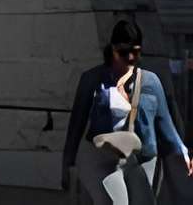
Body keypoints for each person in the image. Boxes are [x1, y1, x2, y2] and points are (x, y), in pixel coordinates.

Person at [60, 21, 188, 205]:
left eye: (134, 52)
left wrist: (181, 153)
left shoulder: (151, 82)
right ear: (112, 50)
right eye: (122, 52)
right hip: (102, 156)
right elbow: (77, 124)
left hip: (142, 156)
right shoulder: (93, 79)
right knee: (114, 201)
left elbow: (166, 124)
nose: (129, 58)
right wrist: (67, 163)